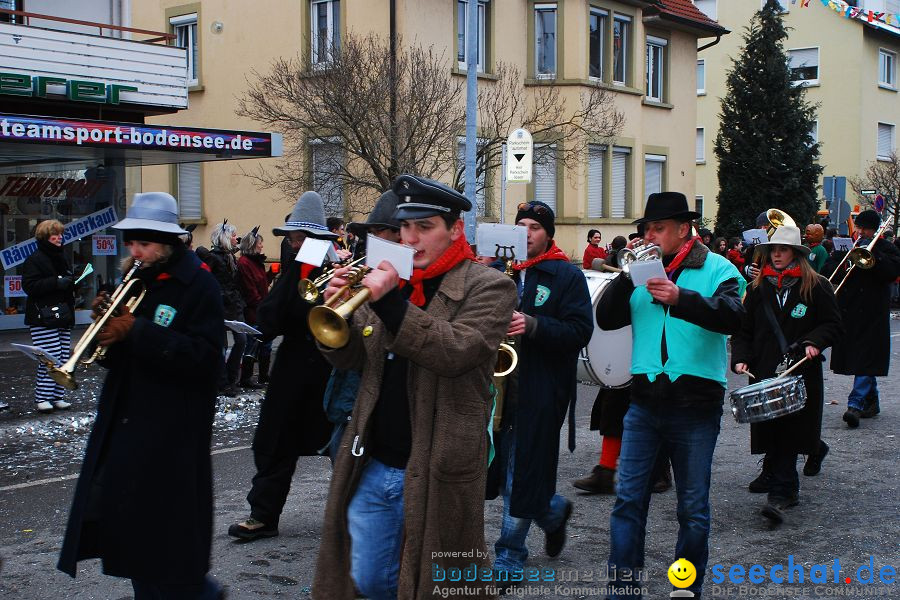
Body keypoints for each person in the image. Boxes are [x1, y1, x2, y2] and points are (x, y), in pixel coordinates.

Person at [312, 175, 516, 599]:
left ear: (455, 229)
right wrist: (335, 315)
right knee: (366, 577)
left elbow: (455, 350)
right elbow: (352, 360)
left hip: (437, 461)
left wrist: (388, 303)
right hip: (374, 458)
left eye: (425, 227)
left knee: (437, 580)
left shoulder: (490, 286)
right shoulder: (391, 279)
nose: (411, 238)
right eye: (405, 227)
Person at [57, 192, 224, 599]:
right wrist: (108, 333)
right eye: (131, 242)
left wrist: (138, 332)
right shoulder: (137, 278)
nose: (135, 251)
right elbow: (118, 360)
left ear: (168, 243)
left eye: (144, 244)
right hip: (130, 421)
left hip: (173, 430)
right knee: (137, 537)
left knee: (167, 540)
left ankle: (199, 593)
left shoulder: (199, 283)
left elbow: (206, 360)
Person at [595, 192, 745, 599]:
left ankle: (686, 589)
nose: (650, 235)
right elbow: (606, 319)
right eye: (646, 229)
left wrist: (682, 299)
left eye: (658, 228)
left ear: (683, 230)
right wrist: (627, 274)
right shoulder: (639, 272)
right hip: (643, 403)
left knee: (692, 511)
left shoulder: (719, 268)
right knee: (628, 503)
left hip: (695, 406)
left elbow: (733, 314)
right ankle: (623, 591)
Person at [484, 201, 592, 585]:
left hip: (540, 391)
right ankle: (550, 511)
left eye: (534, 226)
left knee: (521, 475)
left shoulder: (565, 275)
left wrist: (533, 325)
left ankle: (509, 555)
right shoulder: (499, 271)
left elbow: (580, 331)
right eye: (521, 226)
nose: (526, 232)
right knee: (499, 474)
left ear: (548, 234)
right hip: (496, 390)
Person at [228, 192, 337, 541]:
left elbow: (278, 311)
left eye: (296, 239)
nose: (291, 244)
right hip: (292, 369)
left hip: (326, 368)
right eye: (291, 239)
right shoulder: (296, 272)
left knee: (341, 445)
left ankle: (355, 514)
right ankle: (263, 514)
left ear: (312, 240)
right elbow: (271, 313)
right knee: (273, 442)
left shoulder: (329, 271)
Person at [731, 226, 842, 524]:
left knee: (791, 430)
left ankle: (782, 493)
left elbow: (833, 324)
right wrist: (741, 358)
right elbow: (744, 331)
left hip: (800, 371)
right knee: (771, 429)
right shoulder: (756, 288)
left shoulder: (816, 285)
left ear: (795, 253)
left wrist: (813, 342)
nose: (776, 255)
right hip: (766, 370)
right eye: (772, 250)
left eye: (782, 250)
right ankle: (783, 473)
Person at [322, 189, 402, 461]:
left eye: (381, 232)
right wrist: (336, 308)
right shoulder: (363, 279)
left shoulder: (407, 288)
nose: (374, 241)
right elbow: (346, 356)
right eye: (372, 233)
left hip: (378, 413)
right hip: (347, 405)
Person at [830, 209, 900, 427]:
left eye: (864, 228)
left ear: (874, 229)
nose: (860, 232)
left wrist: (873, 255)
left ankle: (855, 404)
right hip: (850, 311)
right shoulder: (848, 247)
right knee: (862, 358)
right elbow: (828, 271)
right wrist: (844, 259)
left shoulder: (887, 248)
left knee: (865, 358)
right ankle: (872, 400)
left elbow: (891, 273)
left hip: (872, 312)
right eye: (858, 227)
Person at [21, 219, 76, 413]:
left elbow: (62, 282)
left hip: (62, 315)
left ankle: (57, 396)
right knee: (49, 357)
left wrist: (71, 283)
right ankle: (42, 398)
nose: (60, 238)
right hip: (42, 317)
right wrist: (56, 282)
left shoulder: (61, 256)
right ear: (45, 237)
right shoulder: (35, 259)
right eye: (56, 235)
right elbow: (29, 286)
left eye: (61, 234)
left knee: (62, 357)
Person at [199, 221, 247, 398]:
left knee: (241, 340)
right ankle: (224, 383)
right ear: (226, 238)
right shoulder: (214, 257)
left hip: (234, 305)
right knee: (221, 345)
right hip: (220, 306)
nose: (237, 238)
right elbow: (206, 280)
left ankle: (231, 378)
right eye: (234, 236)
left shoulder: (231, 257)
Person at [237, 226, 271, 388]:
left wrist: (270, 275)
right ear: (252, 244)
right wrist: (263, 307)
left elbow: (261, 284)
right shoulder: (244, 263)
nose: (262, 246)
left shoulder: (256, 262)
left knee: (265, 344)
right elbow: (250, 291)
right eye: (260, 243)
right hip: (254, 311)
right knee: (253, 345)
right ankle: (246, 378)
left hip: (261, 309)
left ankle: (264, 375)